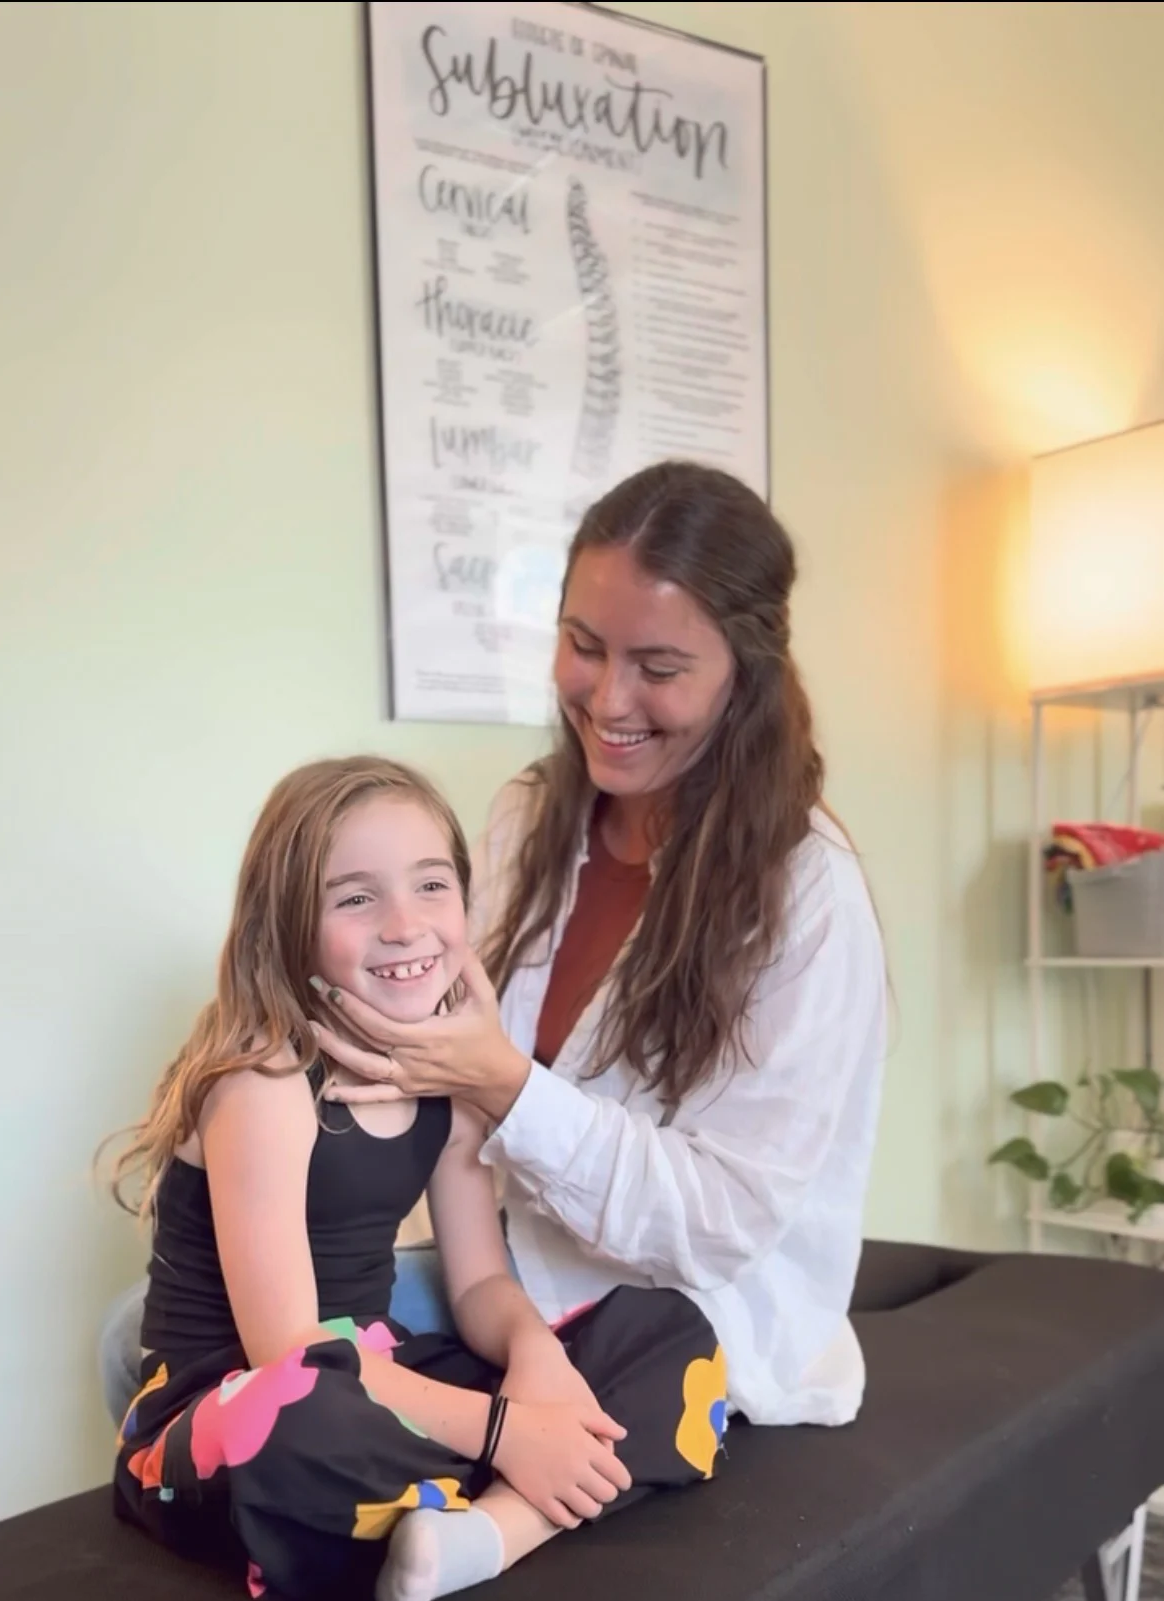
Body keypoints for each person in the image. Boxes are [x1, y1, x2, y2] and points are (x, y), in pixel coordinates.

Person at [103, 457, 885, 1442]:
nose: (606, 699)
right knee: (144, 1338)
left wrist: (508, 1088)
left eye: (658, 668)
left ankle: (471, 1531)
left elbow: (720, 1225)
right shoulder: (529, 818)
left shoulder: (806, 898)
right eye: (582, 645)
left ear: (746, 675)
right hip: (514, 1264)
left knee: (298, 1383)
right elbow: (419, 1021)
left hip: (673, 1299)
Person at [106, 756, 726, 1601]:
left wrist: (534, 1363)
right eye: (355, 898)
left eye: (431, 886)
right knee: (299, 1419)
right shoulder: (263, 1082)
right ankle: (498, 1487)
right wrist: (510, 1432)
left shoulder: (445, 1078)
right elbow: (289, 1350)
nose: (406, 925)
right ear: (287, 924)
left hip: (377, 1371)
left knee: (673, 1336)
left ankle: (485, 1534)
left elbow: (478, 1283)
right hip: (243, 1406)